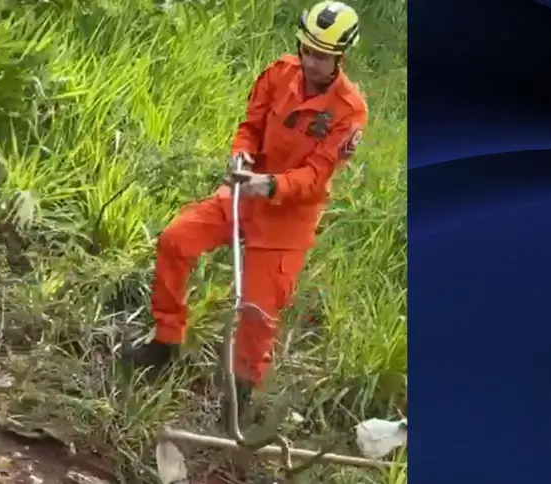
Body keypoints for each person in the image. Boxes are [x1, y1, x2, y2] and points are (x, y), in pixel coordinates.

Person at [122, 1, 368, 427]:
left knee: (257, 311)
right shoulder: (279, 73)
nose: (311, 62)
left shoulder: (348, 111)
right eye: (307, 51)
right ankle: (165, 342)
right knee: (175, 240)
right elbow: (250, 126)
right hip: (242, 195)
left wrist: (272, 185)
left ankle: (237, 399)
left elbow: (315, 175)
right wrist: (241, 156)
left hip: (287, 220)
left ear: (340, 58)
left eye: (322, 57)